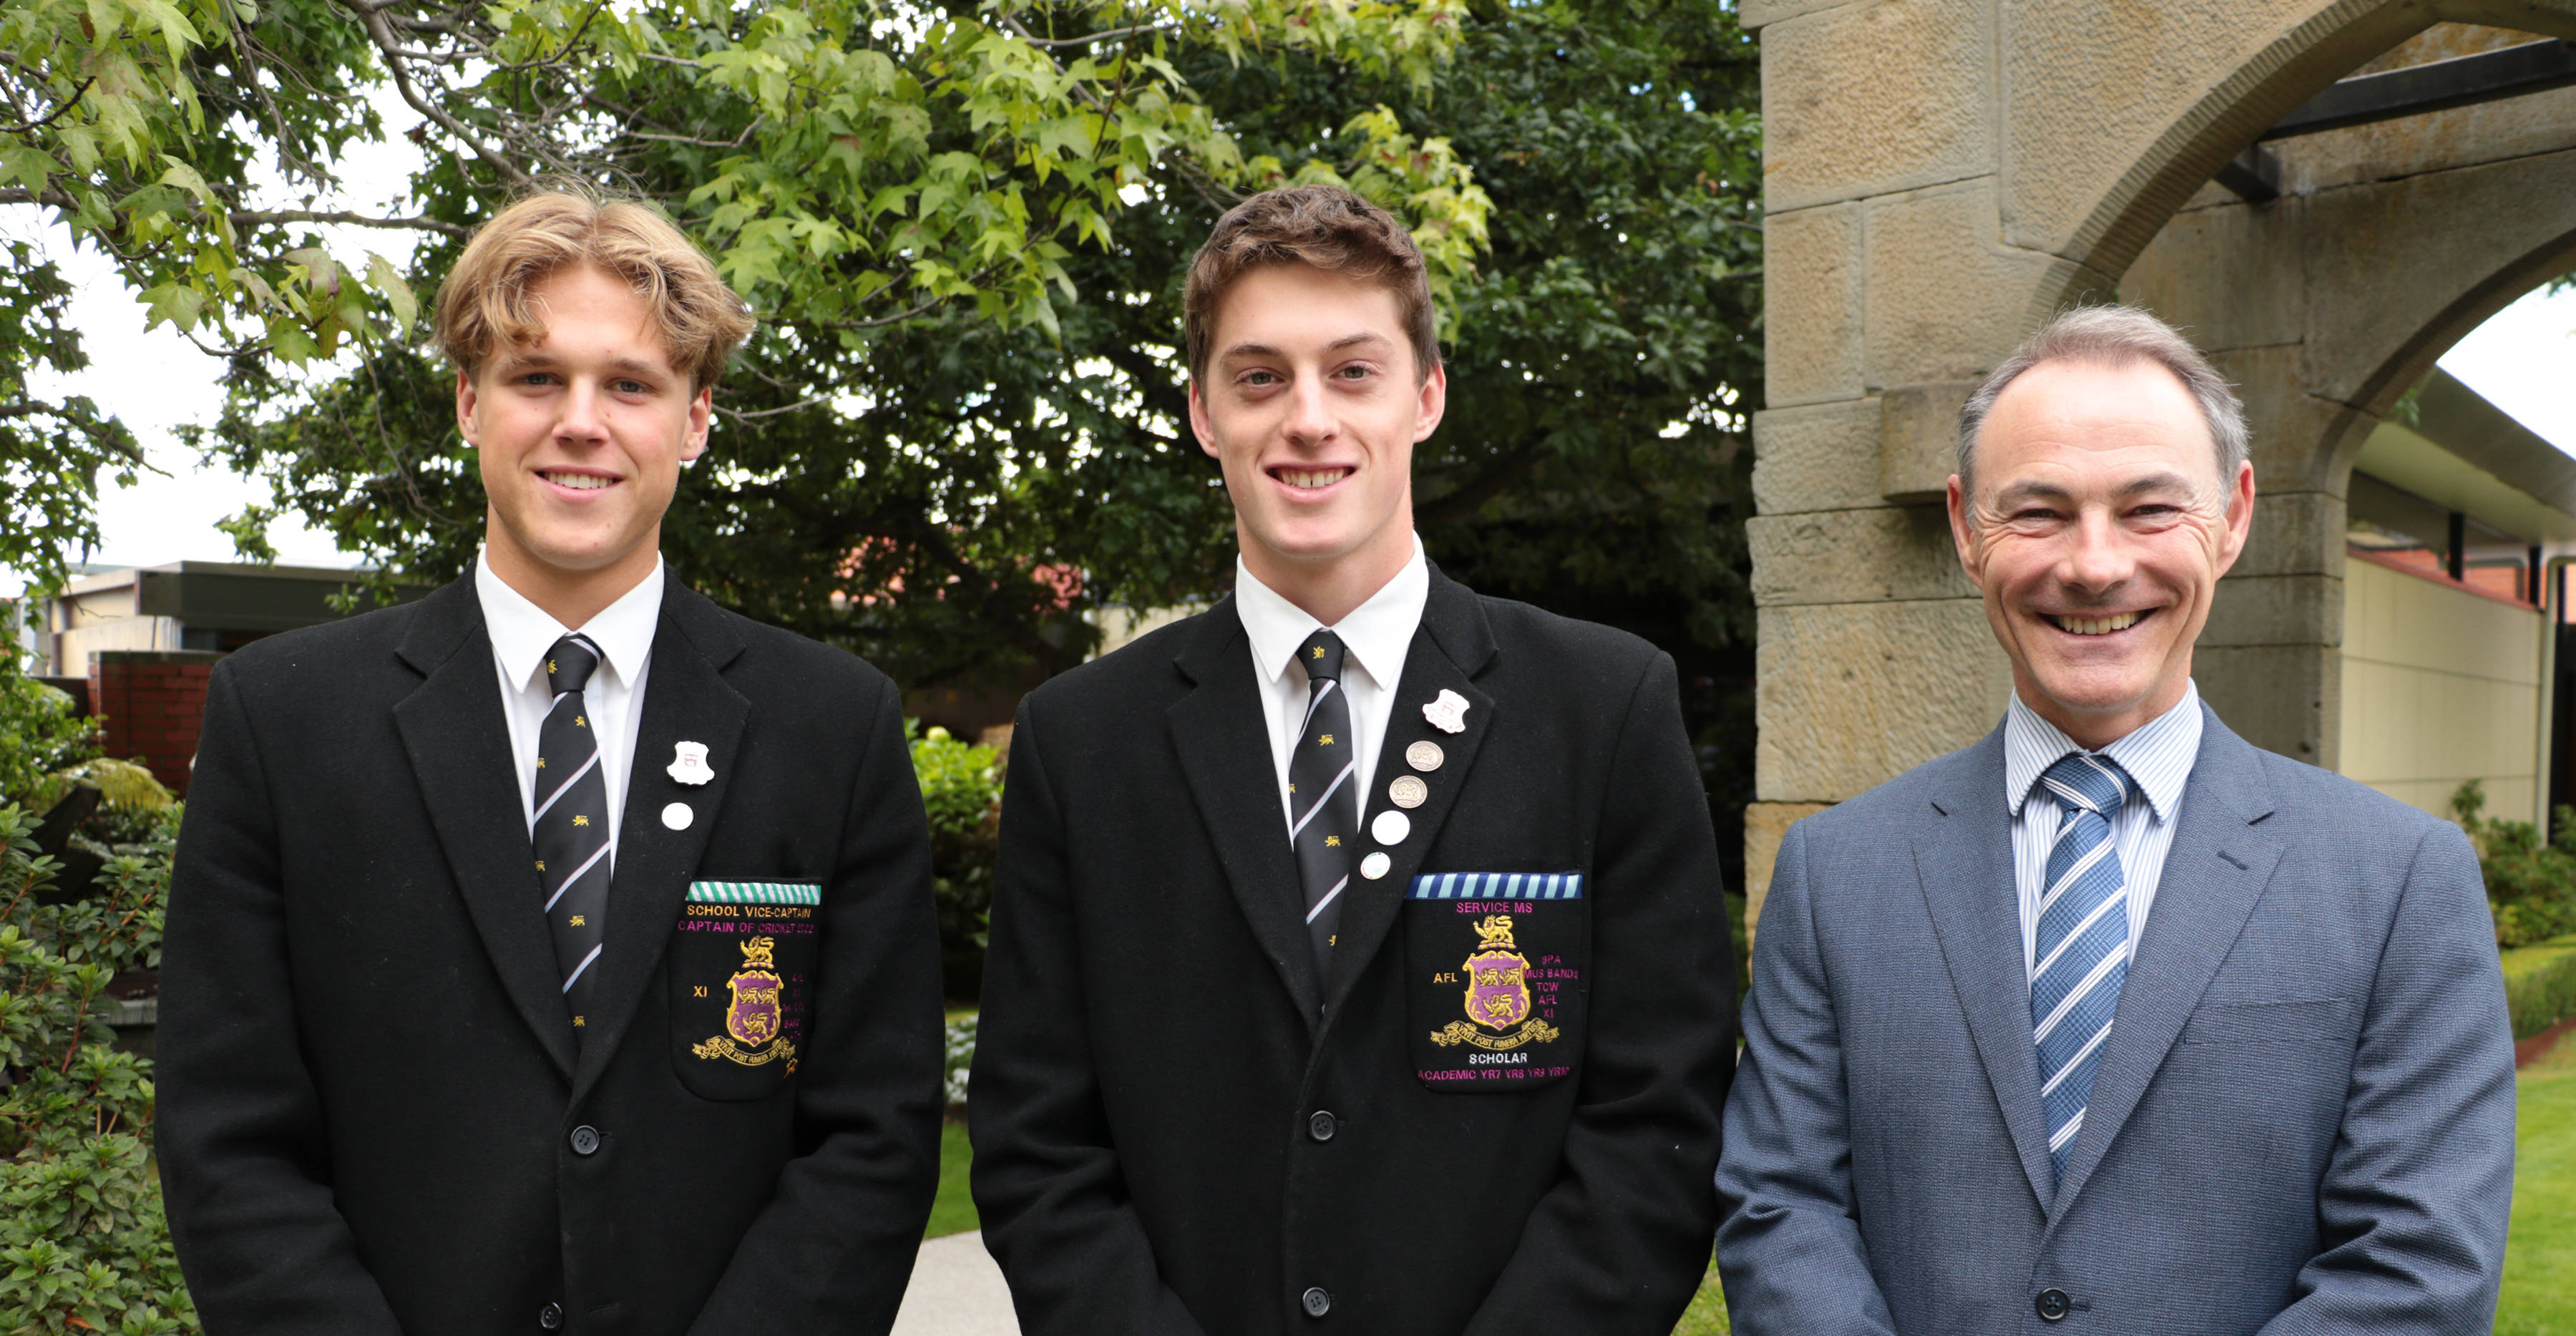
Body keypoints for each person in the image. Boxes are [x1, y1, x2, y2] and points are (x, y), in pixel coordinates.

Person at [157, 191, 945, 1335]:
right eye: (537, 379)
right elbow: (225, 1129)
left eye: (630, 384)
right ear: (470, 404)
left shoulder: (833, 727)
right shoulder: (284, 718)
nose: (583, 421)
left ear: (695, 420)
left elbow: (875, 1133)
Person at [966, 183, 1737, 1335]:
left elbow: (1658, 1121)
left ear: (1425, 397)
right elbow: (1036, 1138)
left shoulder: (1603, 707)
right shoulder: (1085, 739)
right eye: (1260, 376)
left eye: (1354, 371)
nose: (1308, 418)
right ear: (1202, 412)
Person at [1716, 306, 2516, 1334]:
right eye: (2039, 512)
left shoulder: (2402, 880)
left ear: (2232, 518)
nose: (2094, 565)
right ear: (1966, 528)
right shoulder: (1836, 872)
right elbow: (1783, 1211)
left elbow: (2418, 1271)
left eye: (2148, 509)